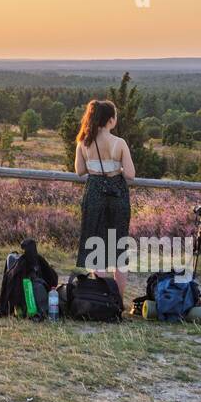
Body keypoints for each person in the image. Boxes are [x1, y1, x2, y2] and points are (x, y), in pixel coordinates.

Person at [73, 99, 135, 298]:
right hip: (117, 193)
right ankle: (117, 300)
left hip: (94, 193)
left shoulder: (83, 142)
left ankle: (100, 298)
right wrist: (114, 167)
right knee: (118, 246)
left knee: (95, 245)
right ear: (110, 120)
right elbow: (131, 174)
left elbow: (80, 171)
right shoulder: (120, 143)